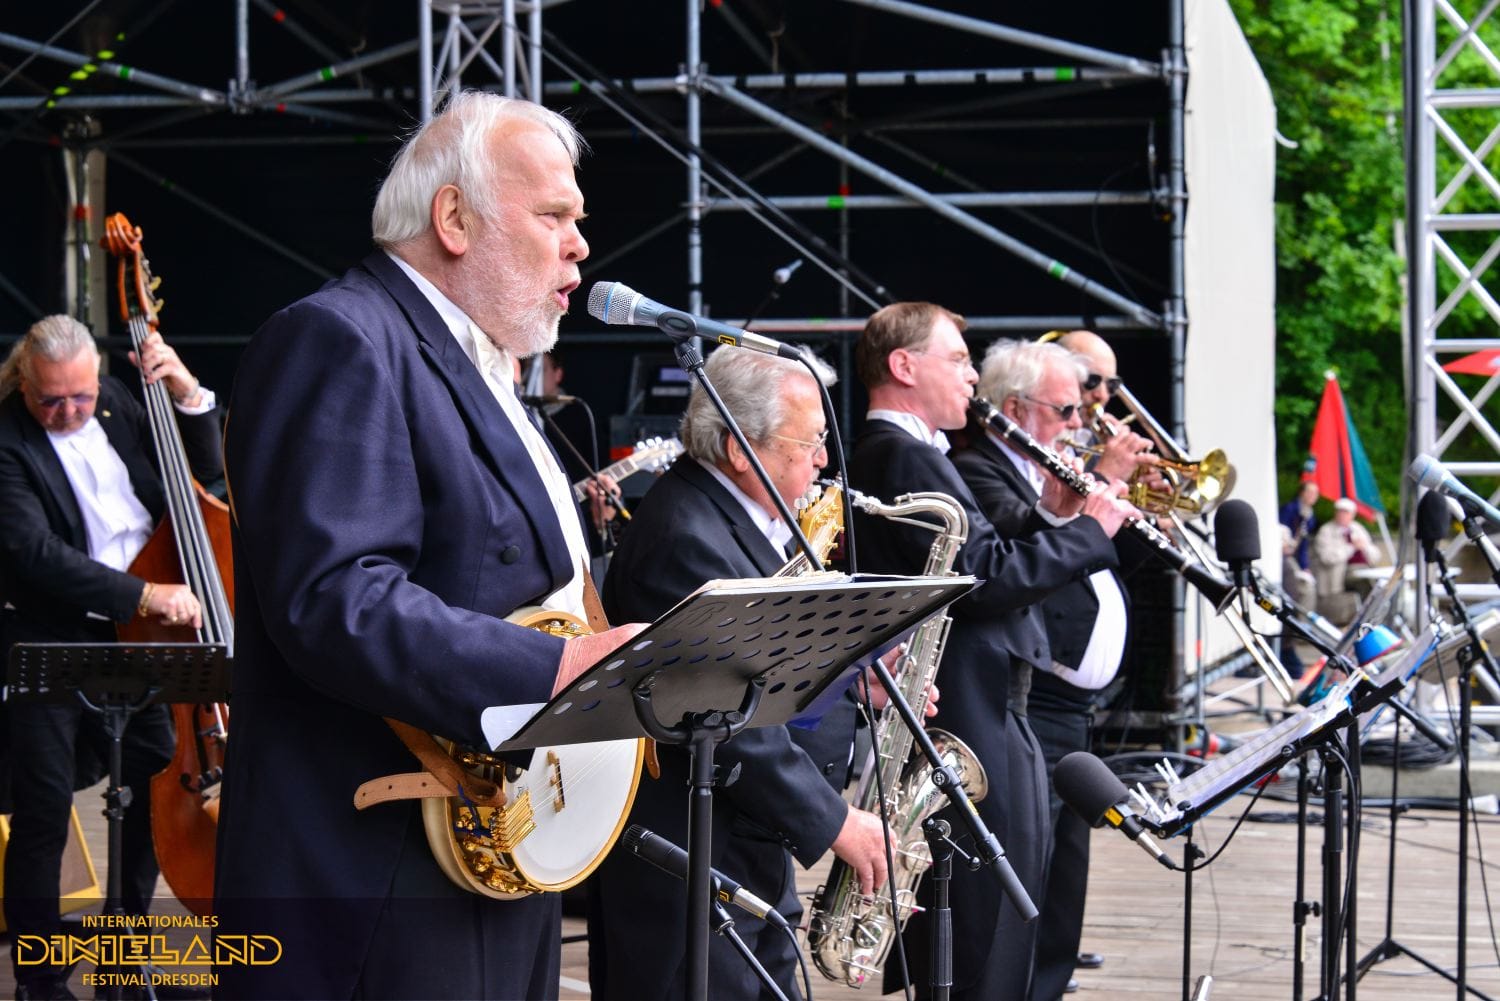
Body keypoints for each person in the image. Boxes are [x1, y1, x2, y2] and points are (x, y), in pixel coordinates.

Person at [215, 92, 644, 999]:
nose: (579, 245)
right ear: (454, 217)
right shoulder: (339, 337)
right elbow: (337, 599)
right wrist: (558, 673)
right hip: (376, 885)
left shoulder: (477, 360)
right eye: (555, 216)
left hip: (487, 853)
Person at [846, 302, 1132, 1001]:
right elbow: (985, 575)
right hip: (969, 703)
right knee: (986, 911)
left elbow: (982, 558)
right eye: (957, 360)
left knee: (1008, 900)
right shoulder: (899, 451)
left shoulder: (917, 450)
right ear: (904, 366)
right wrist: (1088, 528)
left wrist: (1057, 515)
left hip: (987, 697)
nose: (971, 377)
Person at [589, 346, 891, 1000]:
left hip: (741, 845)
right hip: (691, 860)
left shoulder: (722, 517)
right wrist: (835, 821)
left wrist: (845, 679)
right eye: (808, 441)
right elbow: (725, 716)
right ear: (736, 446)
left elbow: (763, 673)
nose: (823, 459)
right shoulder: (686, 535)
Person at [0, 314, 219, 1000]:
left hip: (137, 641)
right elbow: (34, 554)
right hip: (51, 634)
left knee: (155, 784)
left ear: (99, 379)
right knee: (42, 810)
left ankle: (124, 966)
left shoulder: (121, 401)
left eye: (81, 397)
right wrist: (145, 592)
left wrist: (187, 393)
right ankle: (41, 981)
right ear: (24, 384)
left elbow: (201, 479)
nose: (68, 411)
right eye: (51, 400)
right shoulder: (6, 441)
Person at [949, 338, 1145, 1001]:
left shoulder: (1038, 469)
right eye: (1066, 409)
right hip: (1029, 694)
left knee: (1065, 873)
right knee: (1027, 873)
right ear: (1015, 409)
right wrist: (1068, 512)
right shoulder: (978, 468)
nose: (1078, 423)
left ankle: (1048, 987)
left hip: (1070, 708)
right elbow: (1007, 565)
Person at [1312, 497, 1380, 601]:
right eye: (1340, 512)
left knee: (1382, 583)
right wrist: (1351, 547)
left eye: (1346, 513)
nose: (1342, 515)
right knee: (1365, 582)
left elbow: (1376, 556)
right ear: (1335, 513)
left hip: (1365, 569)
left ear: (1353, 515)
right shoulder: (1326, 531)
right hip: (1340, 575)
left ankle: (1379, 612)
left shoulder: (1358, 528)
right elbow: (1327, 558)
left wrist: (1365, 547)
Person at [1280, 480, 1320, 573]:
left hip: (1295, 552)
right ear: (1302, 493)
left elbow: (1303, 541)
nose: (1313, 496)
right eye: (1310, 492)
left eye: (1315, 493)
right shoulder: (1289, 508)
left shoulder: (1310, 515)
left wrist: (1304, 565)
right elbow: (1281, 530)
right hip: (1283, 551)